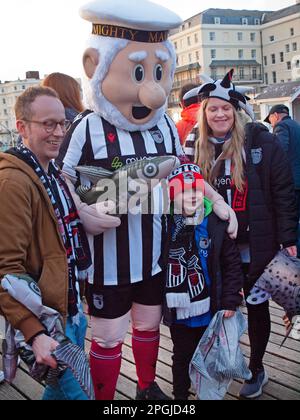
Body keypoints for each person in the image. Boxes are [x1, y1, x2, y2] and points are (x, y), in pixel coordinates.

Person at [57, 0, 237, 401]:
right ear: (95, 66)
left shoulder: (164, 130)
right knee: (106, 337)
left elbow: (184, 174)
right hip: (107, 261)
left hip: (157, 254)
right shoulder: (87, 127)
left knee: (149, 327)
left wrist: (215, 204)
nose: (152, 88)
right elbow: (62, 181)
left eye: (158, 72)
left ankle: (144, 386)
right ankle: (104, 398)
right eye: (140, 72)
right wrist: (83, 211)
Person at [190, 69, 298, 399]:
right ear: (204, 113)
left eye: (226, 108)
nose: (220, 114)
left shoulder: (260, 139)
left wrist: (290, 239)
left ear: (235, 111)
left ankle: (257, 366)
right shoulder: (195, 146)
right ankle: (217, 361)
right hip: (216, 244)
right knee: (217, 305)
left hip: (257, 241)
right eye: (213, 108)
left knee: (257, 305)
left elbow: (282, 191)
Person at [0, 86, 92, 400]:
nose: (58, 133)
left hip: (69, 309)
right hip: (47, 322)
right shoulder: (13, 183)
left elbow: (64, 243)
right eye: (47, 124)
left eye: (62, 124)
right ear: (22, 127)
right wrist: (34, 333)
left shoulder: (50, 173)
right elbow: (5, 269)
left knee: (58, 393)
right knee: (80, 394)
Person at [165, 163, 243, 400]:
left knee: (210, 357)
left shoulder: (215, 223)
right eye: (184, 191)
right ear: (172, 196)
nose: (191, 196)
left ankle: (207, 395)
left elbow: (232, 265)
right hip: (180, 310)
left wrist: (230, 300)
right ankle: (180, 397)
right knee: (182, 356)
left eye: (196, 190)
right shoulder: (166, 225)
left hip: (212, 307)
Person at [265, 104, 300, 257]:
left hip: (291, 183)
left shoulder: (282, 127)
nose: (271, 123)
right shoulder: (296, 126)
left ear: (276, 116)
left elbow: (280, 153)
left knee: (291, 222)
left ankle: (295, 257)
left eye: (271, 119)